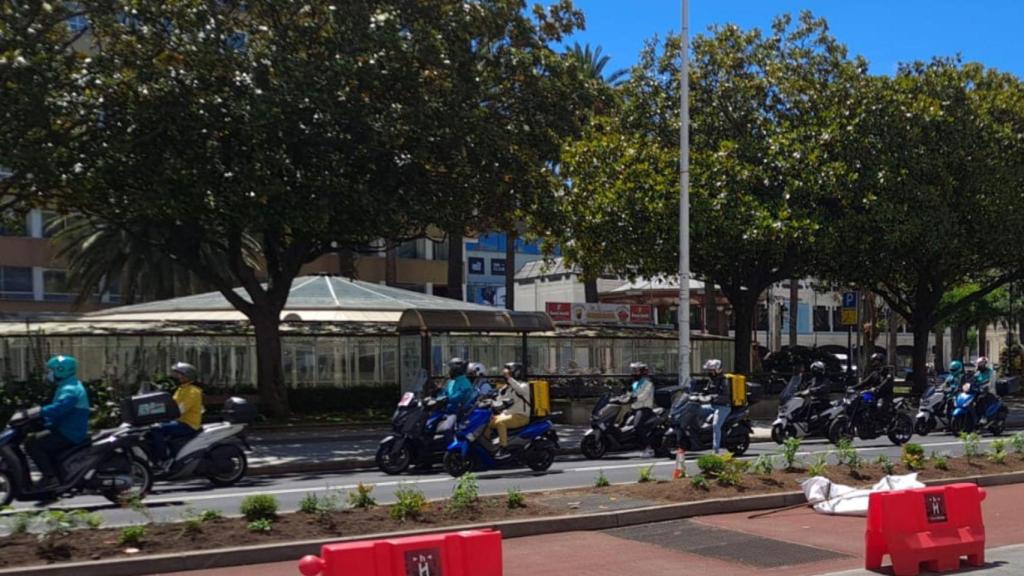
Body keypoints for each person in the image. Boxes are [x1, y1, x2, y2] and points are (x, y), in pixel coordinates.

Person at [26, 355, 90, 491]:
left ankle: (51, 477)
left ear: (61, 370)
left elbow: (60, 408)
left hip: (69, 432)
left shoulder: (70, 389)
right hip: (64, 428)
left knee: (33, 444)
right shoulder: (67, 385)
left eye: (51, 370)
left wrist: (38, 411)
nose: (49, 374)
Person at [150, 362, 204, 470]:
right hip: (179, 422)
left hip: (188, 424)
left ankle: (164, 459)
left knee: (157, 429)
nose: (176, 377)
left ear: (187, 375)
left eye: (179, 374)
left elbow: (180, 409)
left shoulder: (193, 391)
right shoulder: (181, 389)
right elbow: (170, 404)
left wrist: (163, 415)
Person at [485, 362, 532, 457]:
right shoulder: (508, 387)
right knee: (486, 422)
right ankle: (488, 446)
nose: (506, 375)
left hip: (521, 416)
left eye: (509, 372)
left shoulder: (524, 385)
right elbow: (500, 399)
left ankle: (503, 448)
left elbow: (519, 390)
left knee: (500, 423)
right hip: (508, 414)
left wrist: (509, 378)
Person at [700, 359, 732, 454]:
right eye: (709, 370)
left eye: (711, 370)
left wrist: (711, 397)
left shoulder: (724, 380)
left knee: (715, 425)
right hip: (712, 405)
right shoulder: (711, 380)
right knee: (696, 410)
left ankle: (715, 449)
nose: (710, 372)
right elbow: (706, 390)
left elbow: (724, 395)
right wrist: (698, 394)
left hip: (723, 406)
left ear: (718, 370)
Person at [626, 362, 656, 457]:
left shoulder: (648, 384)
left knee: (637, 425)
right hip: (634, 408)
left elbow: (644, 396)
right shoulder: (635, 384)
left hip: (644, 409)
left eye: (636, 371)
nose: (634, 373)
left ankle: (649, 448)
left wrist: (635, 398)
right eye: (633, 371)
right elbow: (630, 394)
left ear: (642, 372)